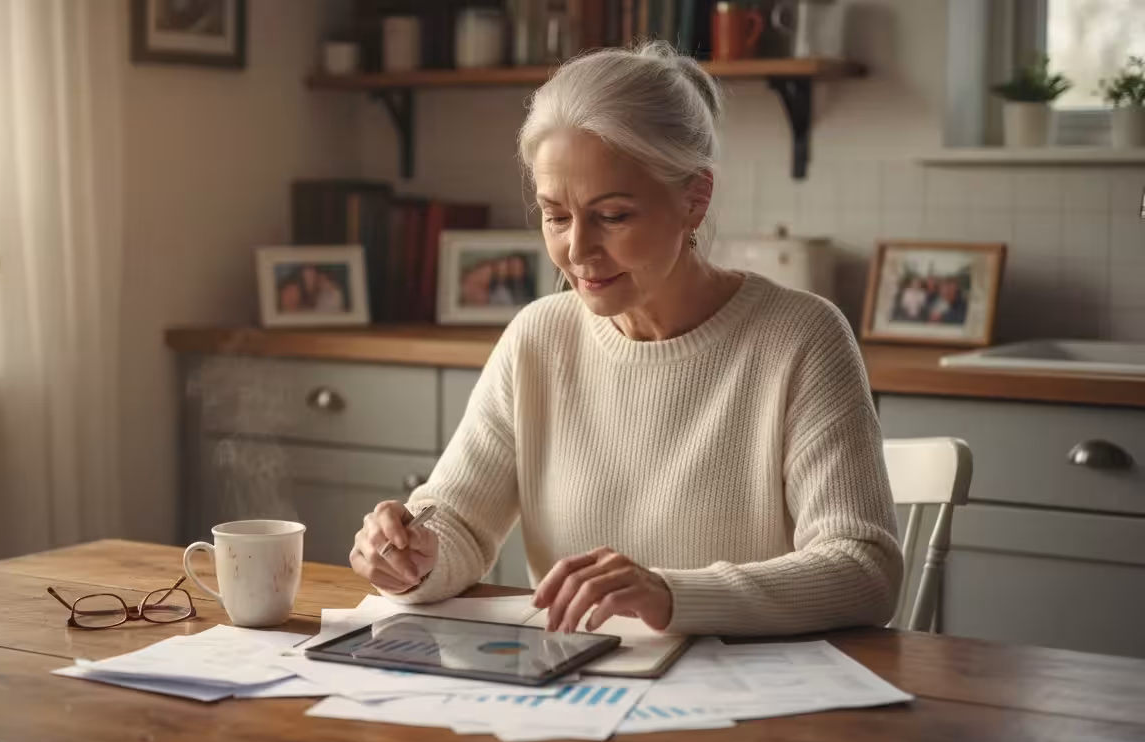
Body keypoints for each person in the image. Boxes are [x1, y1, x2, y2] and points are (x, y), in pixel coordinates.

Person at [349, 42, 901, 637]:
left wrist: (671, 595)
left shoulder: (801, 338)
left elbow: (863, 569)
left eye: (612, 216)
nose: (578, 251)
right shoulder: (539, 337)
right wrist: (413, 554)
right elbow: (458, 520)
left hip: (746, 705)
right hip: (574, 694)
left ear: (695, 199)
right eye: (555, 216)